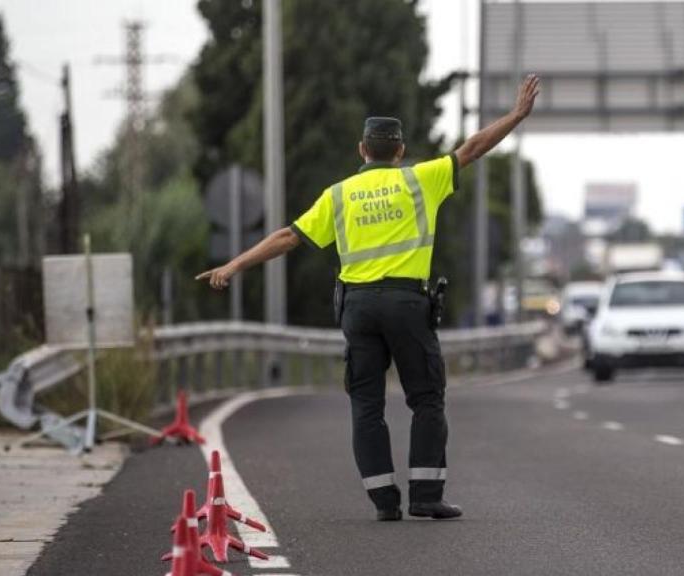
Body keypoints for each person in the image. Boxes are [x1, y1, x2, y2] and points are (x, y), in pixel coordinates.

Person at [197, 75, 541, 521]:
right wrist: (516, 115)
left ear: (362, 150)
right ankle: (425, 495)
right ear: (400, 151)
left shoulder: (338, 195)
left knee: (366, 405)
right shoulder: (422, 179)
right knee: (426, 399)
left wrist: (233, 265)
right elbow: (472, 148)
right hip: (406, 305)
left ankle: (384, 502)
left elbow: (287, 237)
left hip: (358, 309)